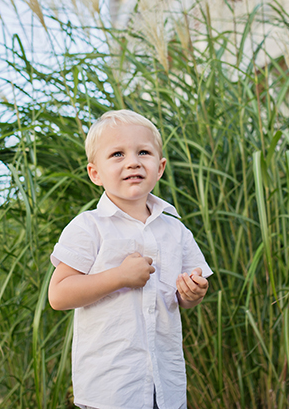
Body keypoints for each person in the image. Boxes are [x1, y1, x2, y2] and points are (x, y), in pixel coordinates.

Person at [48, 109, 212, 409]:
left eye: (143, 152)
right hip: (111, 387)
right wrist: (119, 277)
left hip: (164, 385)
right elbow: (58, 295)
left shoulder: (176, 229)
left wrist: (193, 292)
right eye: (117, 154)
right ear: (95, 173)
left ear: (159, 167)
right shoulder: (89, 227)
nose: (133, 161)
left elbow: (183, 297)